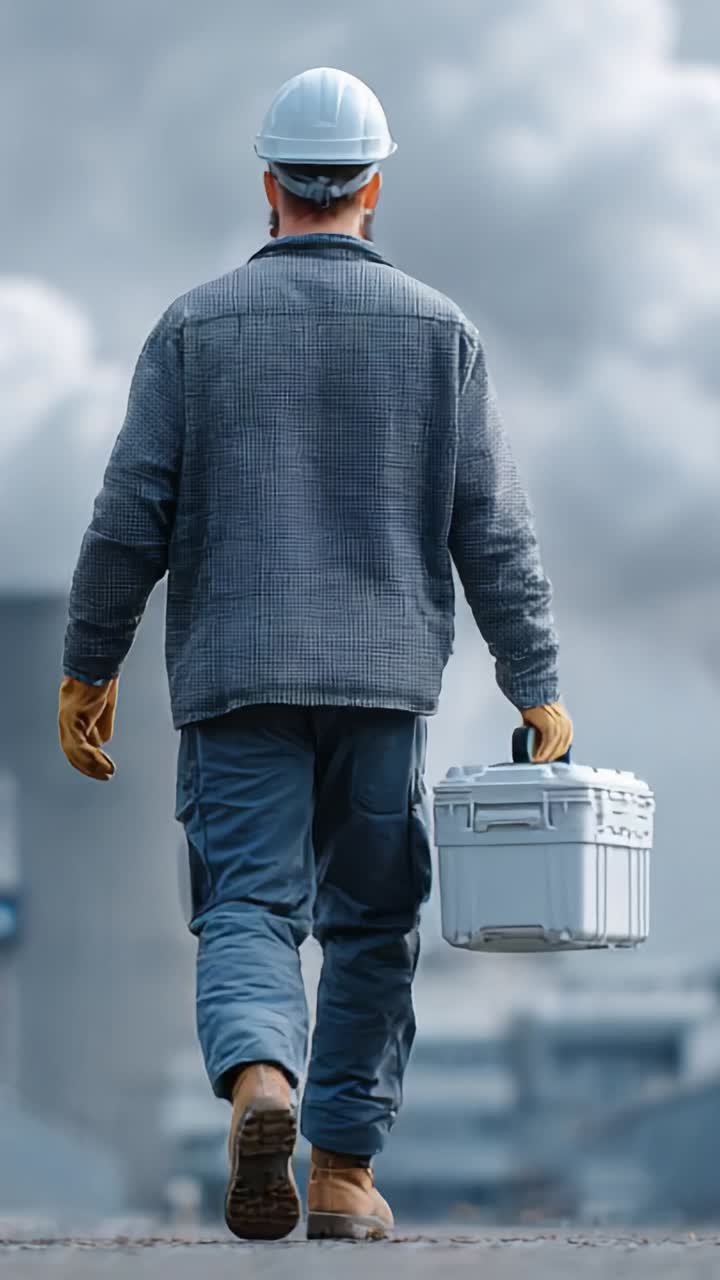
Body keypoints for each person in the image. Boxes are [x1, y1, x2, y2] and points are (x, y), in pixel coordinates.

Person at [58, 66, 573, 1242]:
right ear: (373, 187)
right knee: (374, 921)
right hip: (385, 687)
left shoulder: (193, 329)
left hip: (236, 680)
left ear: (270, 185)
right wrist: (535, 680)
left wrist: (90, 663)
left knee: (249, 900)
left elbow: (127, 516)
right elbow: (496, 532)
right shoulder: (443, 333)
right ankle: (341, 1171)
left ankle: (260, 1077)